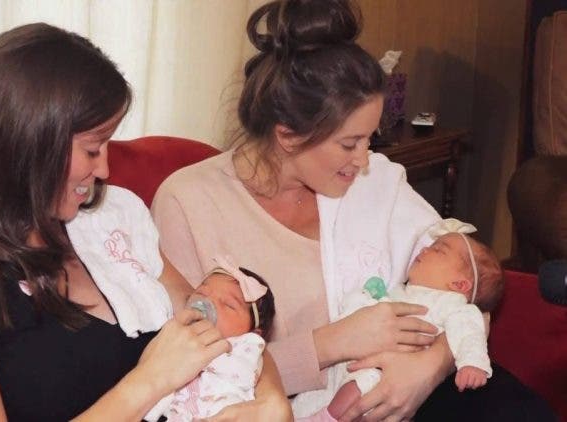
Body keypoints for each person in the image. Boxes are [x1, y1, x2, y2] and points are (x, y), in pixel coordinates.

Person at [151, 0, 556, 420]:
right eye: (349, 144)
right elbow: (185, 376)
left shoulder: (376, 183)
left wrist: (427, 370)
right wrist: (332, 343)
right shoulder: (190, 203)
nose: (364, 160)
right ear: (288, 136)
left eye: (370, 139)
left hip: (419, 382)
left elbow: (473, 293)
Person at [0, 23, 291, 421]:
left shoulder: (106, 226)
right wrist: (150, 381)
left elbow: (232, 329)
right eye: (91, 149)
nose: (104, 170)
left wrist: (272, 403)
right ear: (30, 143)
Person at [294, 220, 504, 420]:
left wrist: (472, 364)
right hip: (352, 360)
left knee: (360, 387)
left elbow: (470, 333)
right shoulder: (402, 290)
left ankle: (327, 418)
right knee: (315, 394)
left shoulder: (453, 305)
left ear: (459, 285)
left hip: (390, 371)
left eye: (439, 250)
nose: (425, 249)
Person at [146, 256, 277, 421]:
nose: (208, 302)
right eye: (201, 293)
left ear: (253, 333)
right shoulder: (175, 331)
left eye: (228, 305)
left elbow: (244, 374)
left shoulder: (246, 347)